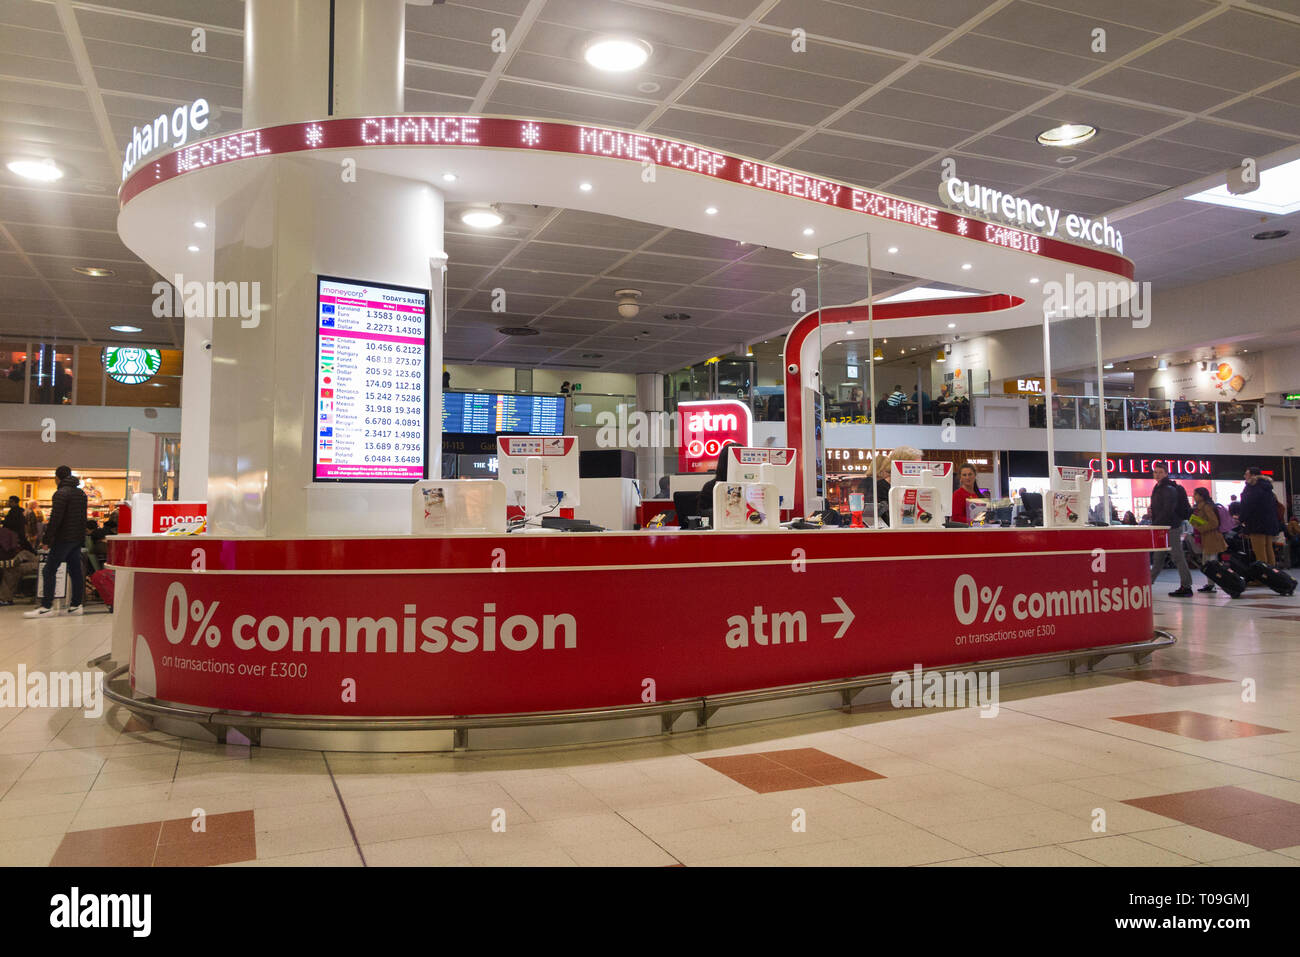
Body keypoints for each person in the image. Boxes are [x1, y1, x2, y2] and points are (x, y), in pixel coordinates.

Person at [23, 465, 87, 618]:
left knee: (49, 570)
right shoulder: (81, 493)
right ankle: (76, 605)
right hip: (77, 538)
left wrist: (47, 539)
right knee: (75, 571)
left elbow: (56, 519)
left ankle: (46, 606)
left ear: (57, 478)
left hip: (63, 538)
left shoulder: (61, 493)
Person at [1149, 462, 1193, 597]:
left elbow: (1168, 509)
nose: (1157, 474)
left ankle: (1186, 586)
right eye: (1156, 472)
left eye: (1160, 472)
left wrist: (1156, 524)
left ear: (1166, 473)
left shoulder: (1168, 489)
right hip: (1162, 527)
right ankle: (1148, 583)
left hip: (1170, 527)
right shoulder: (1158, 488)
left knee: (1177, 556)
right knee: (1158, 557)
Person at [1240, 467, 1282, 567]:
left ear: (1253, 475)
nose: (1245, 476)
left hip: (1256, 523)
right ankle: (1272, 574)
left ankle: (1263, 575)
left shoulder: (1252, 487)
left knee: (1259, 551)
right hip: (1269, 523)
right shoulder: (1267, 488)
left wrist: (1241, 518)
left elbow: (1247, 505)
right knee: (1268, 549)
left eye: (1246, 474)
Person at [1189, 487, 1228, 594]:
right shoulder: (1201, 507)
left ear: (1202, 496)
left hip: (1212, 537)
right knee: (1207, 562)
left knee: (1210, 562)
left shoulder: (1207, 507)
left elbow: (1214, 523)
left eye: (1196, 494)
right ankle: (1210, 584)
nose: (1194, 496)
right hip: (1207, 538)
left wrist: (1200, 527)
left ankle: (1212, 584)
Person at [0, 523, 38, 606]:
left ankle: (5, 598)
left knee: (12, 569)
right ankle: (12, 562)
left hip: (44, 565)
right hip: (42, 562)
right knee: (25, 554)